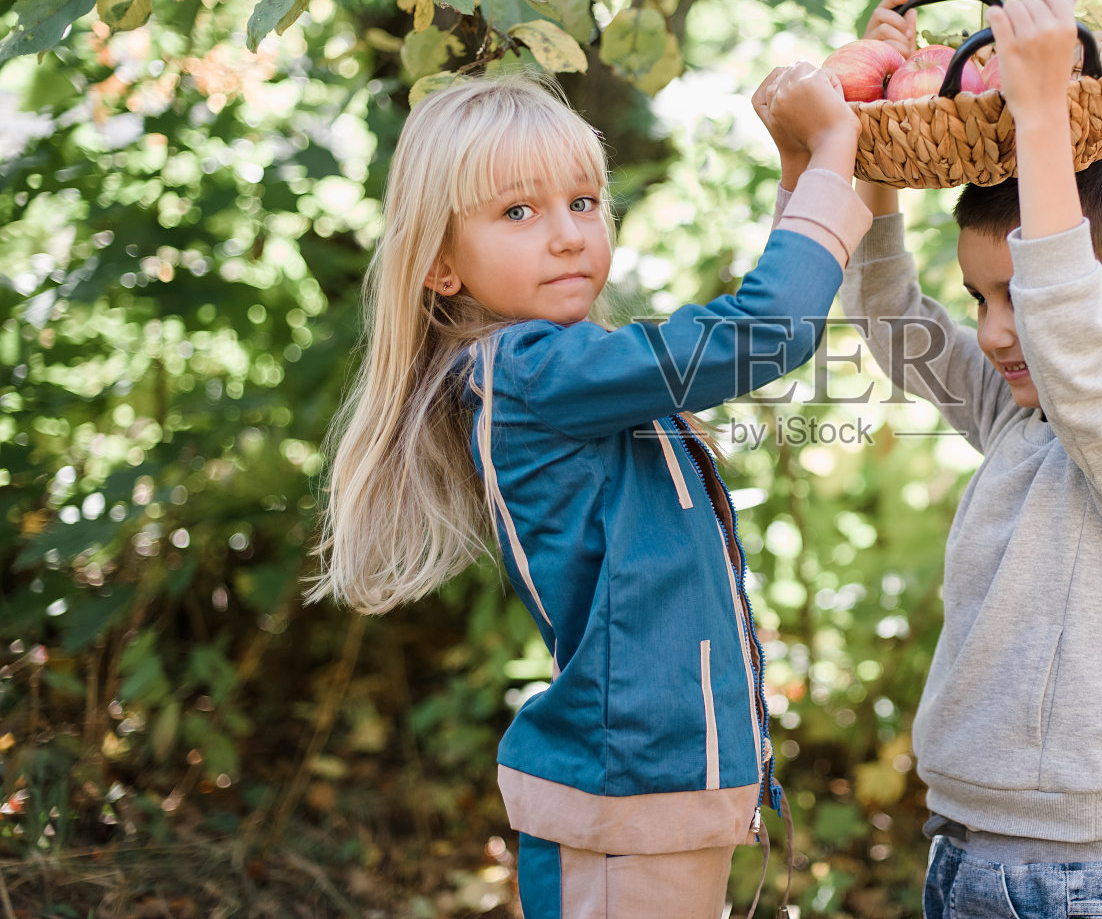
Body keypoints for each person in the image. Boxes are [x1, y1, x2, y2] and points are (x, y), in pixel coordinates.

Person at [309, 68, 870, 918]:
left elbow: (752, 322)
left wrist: (807, 164)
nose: (569, 235)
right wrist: (831, 153)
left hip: (663, 794)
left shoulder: (577, 370)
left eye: (583, 202)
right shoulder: (533, 375)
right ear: (440, 265)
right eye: (518, 212)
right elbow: (764, 331)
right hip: (629, 799)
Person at [843, 0, 1102, 916]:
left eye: (1018, 294)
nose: (993, 330)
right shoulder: (1021, 420)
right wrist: (876, 140)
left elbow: (1077, 353)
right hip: (964, 851)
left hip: (1066, 877)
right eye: (980, 298)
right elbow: (892, 317)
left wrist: (1044, 115)